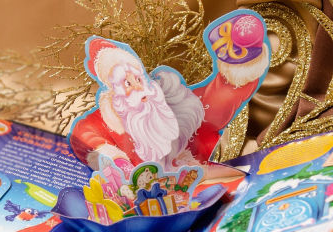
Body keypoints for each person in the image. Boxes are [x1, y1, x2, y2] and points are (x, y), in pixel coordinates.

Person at [68, 11, 270, 173]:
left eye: (138, 79)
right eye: (127, 83)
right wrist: (117, 162)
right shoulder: (106, 121)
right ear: (114, 93)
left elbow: (222, 99)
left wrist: (240, 51)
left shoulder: (174, 103)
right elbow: (83, 136)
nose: (139, 89)